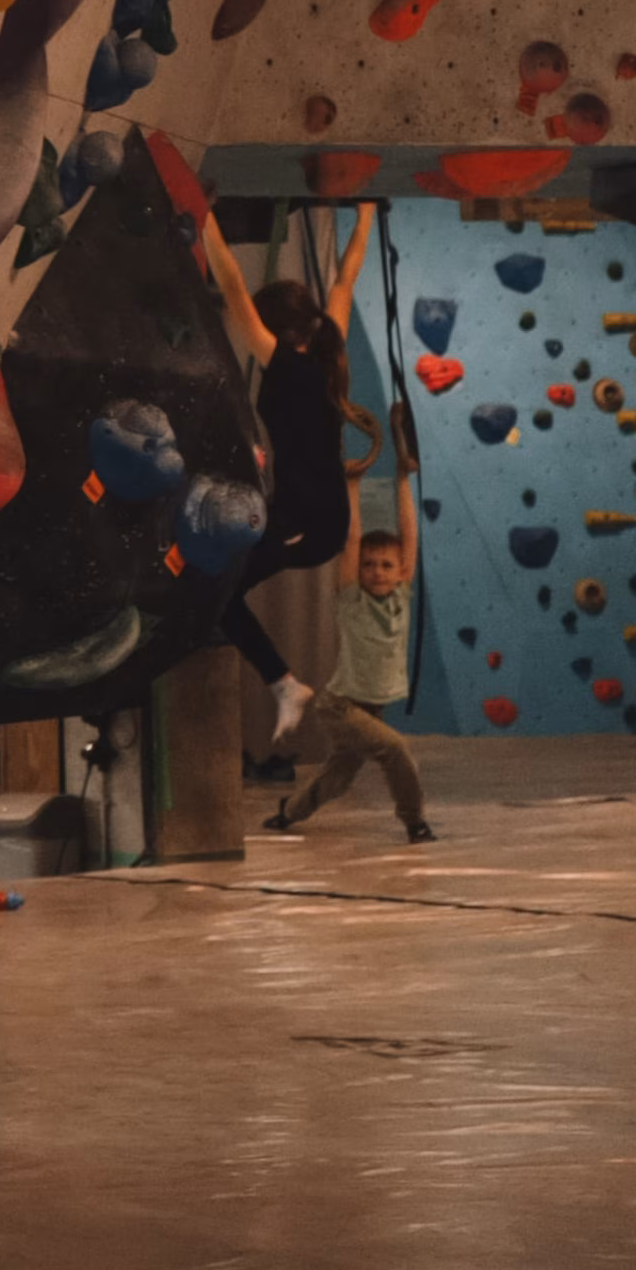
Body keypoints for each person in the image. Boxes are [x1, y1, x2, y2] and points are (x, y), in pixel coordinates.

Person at [189, 198, 375, 698]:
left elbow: (233, 287)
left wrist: (205, 216)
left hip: (311, 523)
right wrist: (364, 216)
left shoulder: (291, 366)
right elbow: (344, 283)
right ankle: (278, 679)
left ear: (280, 331)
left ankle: (283, 683)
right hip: (306, 512)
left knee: (221, 592)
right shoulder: (325, 349)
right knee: (220, 587)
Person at [268, 462, 436, 843]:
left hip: (369, 708)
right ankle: (415, 821)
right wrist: (352, 486)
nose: (377, 571)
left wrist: (402, 479)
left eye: (386, 565)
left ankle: (289, 812)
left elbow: (409, 535)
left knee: (339, 776)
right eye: (369, 565)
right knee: (395, 749)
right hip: (340, 706)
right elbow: (352, 539)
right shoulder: (352, 601)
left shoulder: (400, 597)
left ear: (400, 570)